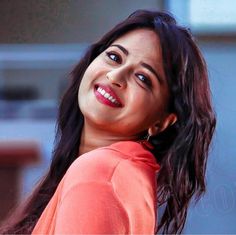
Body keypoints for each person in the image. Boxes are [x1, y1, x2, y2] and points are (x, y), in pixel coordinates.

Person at [0, 9, 216, 234]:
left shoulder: (100, 173)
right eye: (115, 57)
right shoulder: (127, 174)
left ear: (161, 122)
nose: (115, 77)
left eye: (143, 78)